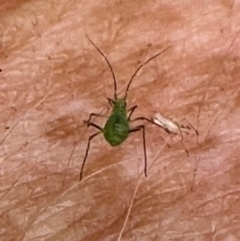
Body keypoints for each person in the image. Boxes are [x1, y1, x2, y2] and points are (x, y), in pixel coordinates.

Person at [0, 1, 238, 240]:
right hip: (118, 131)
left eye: (119, 103)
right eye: (118, 103)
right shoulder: (124, 111)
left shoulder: (116, 110)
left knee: (98, 128)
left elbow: (95, 117)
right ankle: (109, 169)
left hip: (112, 131)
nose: (120, 103)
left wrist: (98, 118)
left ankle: (100, 169)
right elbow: (116, 115)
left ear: (118, 106)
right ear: (119, 106)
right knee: (137, 125)